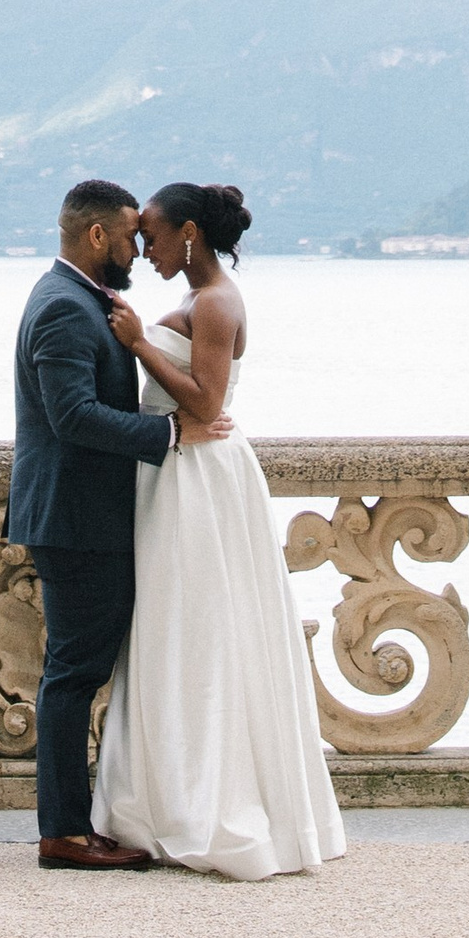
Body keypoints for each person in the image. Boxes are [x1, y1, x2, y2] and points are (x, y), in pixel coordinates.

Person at [93, 180, 346, 880]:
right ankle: (167, 796)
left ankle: (206, 803)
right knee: (175, 629)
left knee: (199, 630)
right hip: (176, 469)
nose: (145, 250)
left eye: (152, 237)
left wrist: (140, 345)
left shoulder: (215, 302)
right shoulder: (204, 297)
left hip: (198, 475)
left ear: (189, 233)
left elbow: (206, 403)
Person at [9, 178, 234, 871]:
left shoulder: (83, 299)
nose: (140, 249)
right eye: (132, 236)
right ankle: (64, 833)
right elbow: (72, 417)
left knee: (77, 672)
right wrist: (169, 434)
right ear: (97, 235)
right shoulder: (63, 307)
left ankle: (81, 823)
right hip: (75, 519)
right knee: (73, 675)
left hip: (87, 515)